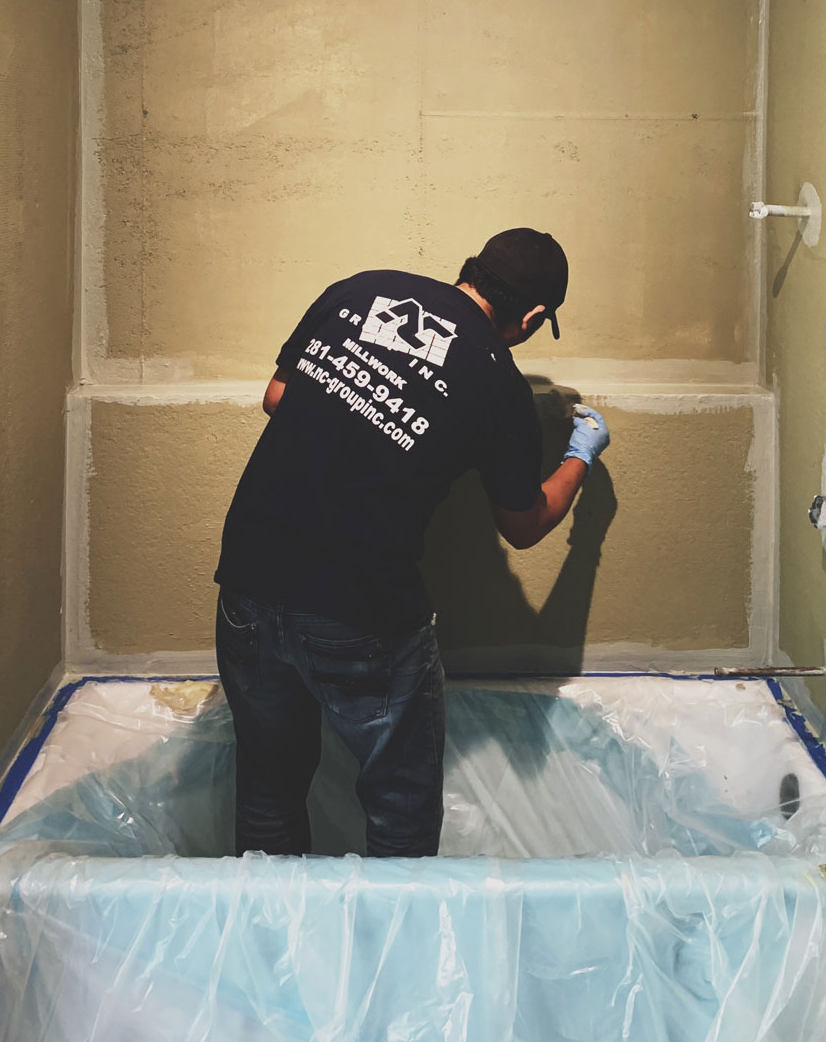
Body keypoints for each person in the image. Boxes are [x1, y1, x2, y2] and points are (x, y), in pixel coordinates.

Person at [213, 227, 611, 858]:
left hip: (247, 581)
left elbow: (277, 397)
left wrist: (364, 404)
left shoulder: (361, 291)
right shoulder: (496, 380)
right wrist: (580, 459)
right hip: (357, 610)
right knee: (400, 805)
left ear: (471, 269)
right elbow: (524, 523)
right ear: (533, 317)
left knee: (269, 786)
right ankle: (394, 952)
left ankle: (274, 947)